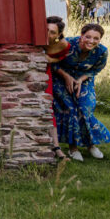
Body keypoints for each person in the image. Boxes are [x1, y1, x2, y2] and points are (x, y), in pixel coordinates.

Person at [51, 23, 110, 161]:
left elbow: (95, 69)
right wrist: (67, 77)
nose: (91, 41)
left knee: (85, 108)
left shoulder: (102, 51)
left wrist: (80, 80)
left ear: (100, 39)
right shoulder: (67, 44)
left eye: (96, 38)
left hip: (83, 80)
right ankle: (73, 148)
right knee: (71, 109)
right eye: (88, 37)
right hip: (61, 78)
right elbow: (52, 62)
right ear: (81, 36)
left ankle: (91, 145)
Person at [45, 16, 70, 159]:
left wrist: (51, 59)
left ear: (59, 35)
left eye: (52, 32)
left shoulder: (63, 45)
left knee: (49, 108)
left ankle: (56, 147)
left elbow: (60, 58)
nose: (48, 34)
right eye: (46, 30)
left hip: (46, 74)